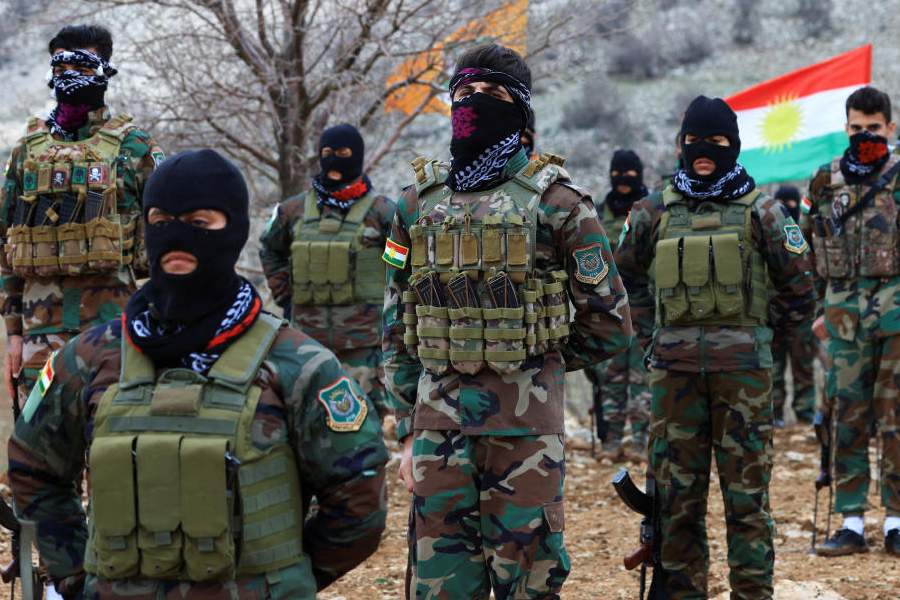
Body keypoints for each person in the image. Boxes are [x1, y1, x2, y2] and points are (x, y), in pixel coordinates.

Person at [7, 149, 388, 599]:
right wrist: (77, 577)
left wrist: (287, 579)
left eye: (199, 223)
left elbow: (359, 497)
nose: (176, 237)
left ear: (235, 230)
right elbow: (33, 467)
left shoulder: (297, 363)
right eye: (161, 220)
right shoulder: (91, 357)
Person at [383, 43, 632, 599]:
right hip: (437, 435)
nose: (473, 104)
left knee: (529, 587)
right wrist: (409, 427)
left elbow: (611, 320)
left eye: (491, 95)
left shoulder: (561, 204)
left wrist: (540, 357)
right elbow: (395, 322)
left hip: (525, 439)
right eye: (463, 94)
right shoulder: (413, 207)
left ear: (520, 111)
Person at [615, 95, 815, 599]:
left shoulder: (763, 212)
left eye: (717, 142)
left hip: (743, 381)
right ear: (681, 145)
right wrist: (649, 336)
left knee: (747, 503)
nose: (704, 151)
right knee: (678, 502)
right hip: (674, 380)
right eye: (693, 142)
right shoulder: (653, 211)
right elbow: (625, 281)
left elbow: (800, 287)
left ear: (735, 146)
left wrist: (763, 342)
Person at [0, 25, 163, 408]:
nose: (71, 78)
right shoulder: (26, 152)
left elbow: (167, 244)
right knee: (40, 456)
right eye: (61, 69)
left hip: (114, 330)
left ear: (106, 71)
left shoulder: (135, 149)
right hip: (40, 336)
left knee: (113, 453)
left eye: (84, 69)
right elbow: (5, 242)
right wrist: (13, 335)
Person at [800, 86, 900, 557]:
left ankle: (897, 521)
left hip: (897, 321)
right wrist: (817, 310)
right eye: (857, 127)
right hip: (842, 323)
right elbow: (806, 248)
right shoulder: (825, 182)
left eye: (874, 128)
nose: (865, 136)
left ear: (891, 129)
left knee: (897, 420)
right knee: (847, 420)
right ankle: (853, 522)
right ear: (845, 128)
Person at [259, 124, 396, 418]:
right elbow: (270, 249)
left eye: (343, 153)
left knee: (366, 423)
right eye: (327, 153)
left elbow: (404, 262)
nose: (334, 160)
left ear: (356, 157)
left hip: (364, 347)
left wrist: (393, 302)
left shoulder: (383, 212)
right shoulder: (292, 211)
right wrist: (284, 294)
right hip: (307, 342)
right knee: (305, 419)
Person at [588, 149, 652, 460]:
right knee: (610, 379)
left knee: (642, 380)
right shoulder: (599, 213)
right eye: (618, 173)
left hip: (643, 310)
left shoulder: (650, 211)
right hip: (609, 312)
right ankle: (611, 442)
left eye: (629, 173)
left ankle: (641, 442)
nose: (623, 179)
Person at [769, 185, 817, 426]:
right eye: (781, 202)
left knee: (803, 368)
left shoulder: (807, 235)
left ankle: (805, 413)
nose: (787, 207)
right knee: (774, 369)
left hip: (804, 313)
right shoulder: (769, 233)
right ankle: (775, 413)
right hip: (774, 313)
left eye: (791, 202)